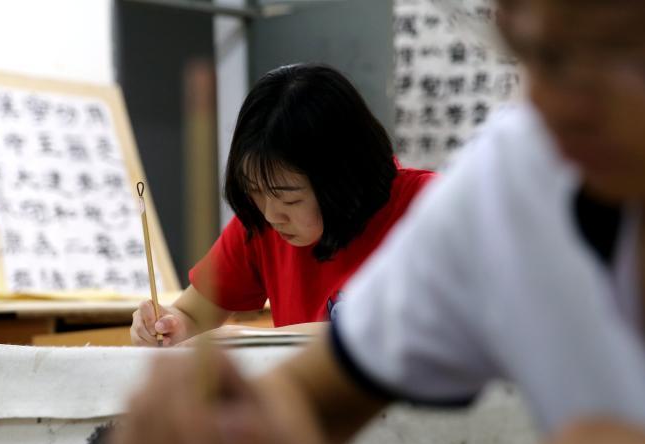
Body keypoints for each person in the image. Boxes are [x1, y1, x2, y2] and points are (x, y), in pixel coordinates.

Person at [112, 0, 645, 444]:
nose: (555, 102)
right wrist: (242, 428)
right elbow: (311, 402)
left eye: (617, 49)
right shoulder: (519, 179)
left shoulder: (427, 199)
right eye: (531, 53)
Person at [131, 64, 436, 346]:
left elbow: (421, 329)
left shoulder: (429, 207)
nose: (271, 214)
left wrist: (249, 340)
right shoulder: (261, 222)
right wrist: (168, 327)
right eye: (255, 191)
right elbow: (194, 315)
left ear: (343, 179)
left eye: (290, 198)